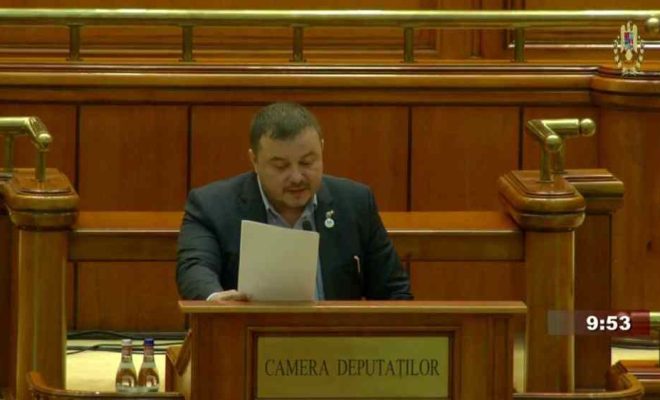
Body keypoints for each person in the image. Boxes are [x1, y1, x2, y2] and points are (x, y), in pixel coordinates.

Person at [176, 102, 412, 301]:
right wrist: (214, 299)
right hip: (245, 338)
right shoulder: (212, 206)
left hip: (335, 339)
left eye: (307, 162)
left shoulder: (354, 202)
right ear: (254, 160)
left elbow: (394, 291)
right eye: (281, 166)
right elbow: (196, 268)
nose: (297, 177)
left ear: (322, 150)